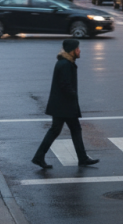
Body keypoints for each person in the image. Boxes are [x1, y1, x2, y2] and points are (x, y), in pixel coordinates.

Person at [31, 39, 99, 169]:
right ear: (72, 50)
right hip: (64, 105)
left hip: (61, 105)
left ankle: (40, 157)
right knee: (67, 130)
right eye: (77, 48)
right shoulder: (65, 64)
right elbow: (65, 85)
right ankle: (81, 158)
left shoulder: (65, 63)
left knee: (63, 130)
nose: (79, 51)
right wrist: (73, 95)